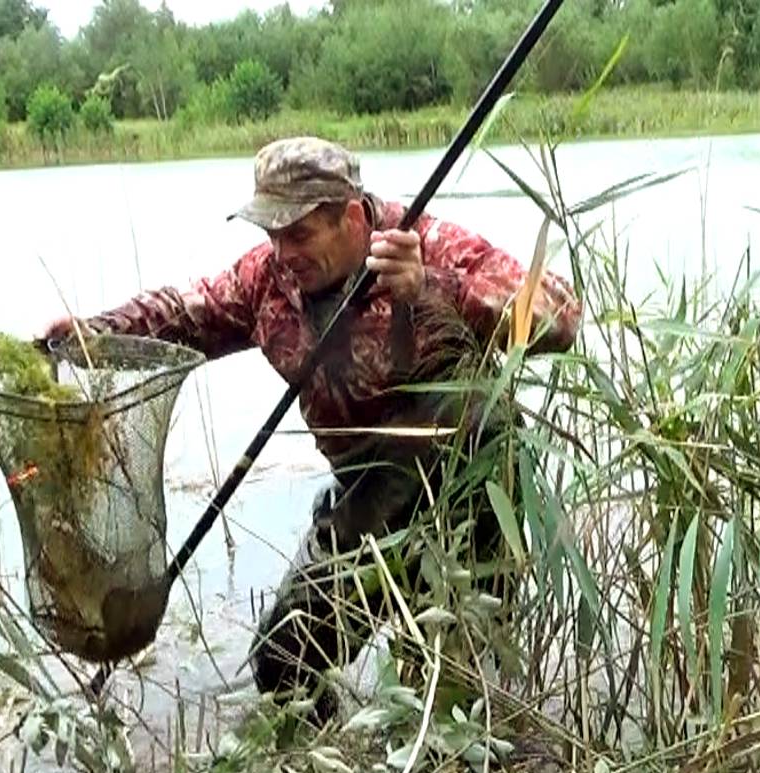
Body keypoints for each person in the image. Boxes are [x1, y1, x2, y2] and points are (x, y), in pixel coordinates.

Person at [43, 136, 582, 722]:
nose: (282, 251)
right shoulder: (268, 279)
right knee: (284, 659)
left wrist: (431, 288)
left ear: (350, 217)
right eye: (271, 234)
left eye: (298, 234)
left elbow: (559, 317)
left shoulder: (426, 244)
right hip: (362, 497)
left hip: (464, 498)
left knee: (448, 701)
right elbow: (187, 312)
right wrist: (94, 331)